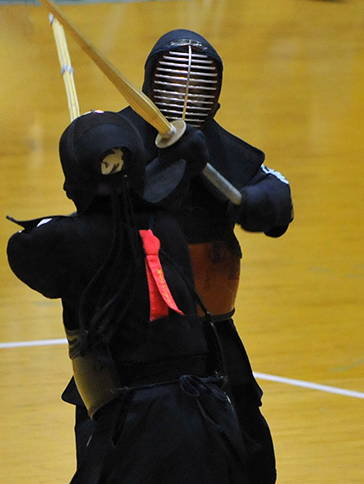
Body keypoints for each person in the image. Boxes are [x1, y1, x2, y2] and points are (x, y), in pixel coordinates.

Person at [65, 29, 294, 484]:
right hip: (129, 342)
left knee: (245, 455)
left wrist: (256, 201)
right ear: (152, 81)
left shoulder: (219, 149)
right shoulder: (115, 142)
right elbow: (112, 209)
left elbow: (276, 192)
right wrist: (171, 164)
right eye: (174, 81)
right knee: (116, 461)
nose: (185, 92)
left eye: (198, 83)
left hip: (211, 334)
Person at [7, 110, 249, 483]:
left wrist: (86, 204)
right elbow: (147, 199)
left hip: (133, 431)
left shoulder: (64, 241)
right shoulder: (168, 227)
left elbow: (22, 249)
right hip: (205, 420)